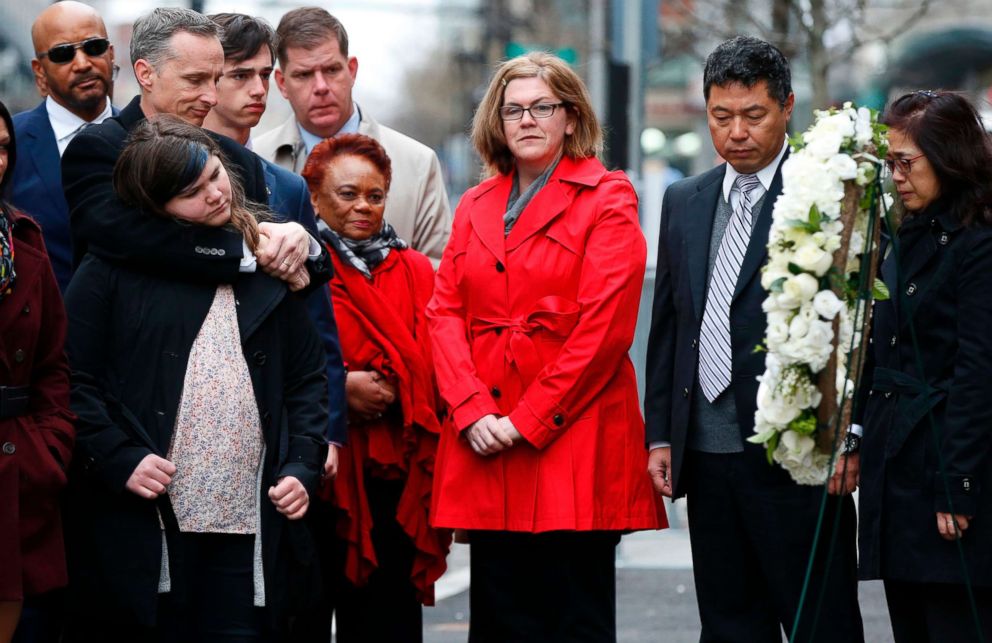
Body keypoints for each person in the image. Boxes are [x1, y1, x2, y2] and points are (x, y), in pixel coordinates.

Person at [426, 52, 666, 643]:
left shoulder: (608, 196)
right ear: (496, 121)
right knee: (500, 618)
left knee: (573, 619)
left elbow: (605, 330)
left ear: (570, 116)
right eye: (513, 110)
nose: (527, 120)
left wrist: (527, 420)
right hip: (487, 439)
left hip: (571, 441)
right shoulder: (475, 204)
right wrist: (471, 407)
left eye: (541, 107)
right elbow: (444, 312)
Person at [62, 116, 328, 642]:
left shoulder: (265, 259)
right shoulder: (110, 271)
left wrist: (302, 464)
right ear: (156, 206)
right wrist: (119, 457)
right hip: (149, 530)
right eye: (191, 192)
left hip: (249, 527)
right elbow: (72, 382)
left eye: (213, 176)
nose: (214, 195)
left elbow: (306, 379)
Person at [644, 36, 864, 641]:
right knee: (729, 624)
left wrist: (851, 431)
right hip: (707, 459)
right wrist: (660, 433)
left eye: (753, 115)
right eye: (721, 117)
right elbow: (670, 324)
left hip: (797, 459)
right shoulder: (683, 200)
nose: (736, 132)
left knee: (821, 624)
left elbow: (862, 326)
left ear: (787, 106)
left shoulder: (826, 194)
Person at [62, 7, 330, 295]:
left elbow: (313, 273)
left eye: (215, 80)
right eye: (195, 80)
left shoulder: (236, 158)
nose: (212, 98)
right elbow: (124, 236)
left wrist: (298, 240)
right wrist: (246, 247)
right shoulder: (97, 149)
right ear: (145, 73)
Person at [299, 133, 449, 642]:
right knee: (309, 613)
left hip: (396, 473)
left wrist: (403, 384)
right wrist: (340, 385)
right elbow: (278, 362)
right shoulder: (296, 266)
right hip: (320, 473)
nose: (363, 206)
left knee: (389, 620)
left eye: (375, 194)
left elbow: (440, 359)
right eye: (347, 193)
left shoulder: (415, 271)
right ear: (314, 196)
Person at [857, 90, 992, 642]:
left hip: (944, 468)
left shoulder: (977, 242)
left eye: (905, 162)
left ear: (949, 157)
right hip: (899, 466)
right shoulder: (906, 230)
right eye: (890, 163)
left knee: (955, 623)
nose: (897, 176)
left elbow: (978, 372)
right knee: (910, 622)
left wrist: (956, 486)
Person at [202, 11, 348, 461]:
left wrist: (328, 431)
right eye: (241, 75)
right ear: (207, 81)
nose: (259, 89)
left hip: (279, 415)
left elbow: (317, 322)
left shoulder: (286, 186)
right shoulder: (165, 176)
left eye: (265, 74)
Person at [254, 6, 451, 265]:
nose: (321, 87)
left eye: (332, 70)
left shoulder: (418, 163)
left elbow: (441, 274)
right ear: (281, 84)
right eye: (304, 75)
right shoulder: (255, 160)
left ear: (352, 70)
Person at [0, 101, 75, 643]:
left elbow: (52, 362)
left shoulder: (23, 238)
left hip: (17, 465)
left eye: (3, 147)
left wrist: (49, 446)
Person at [11, 1, 117, 291]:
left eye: (93, 47)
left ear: (111, 53)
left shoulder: (148, 136)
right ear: (39, 70)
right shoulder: (11, 144)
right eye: (62, 54)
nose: (82, 63)